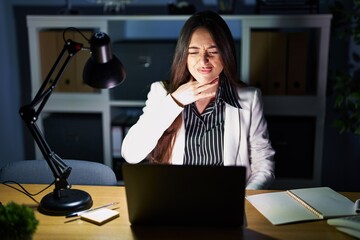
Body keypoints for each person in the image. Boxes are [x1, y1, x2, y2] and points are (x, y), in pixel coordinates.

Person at [121, 10, 275, 190]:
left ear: (226, 55)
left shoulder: (249, 98)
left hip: (226, 201)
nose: (203, 61)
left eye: (213, 51)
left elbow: (263, 164)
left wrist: (242, 199)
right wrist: (175, 101)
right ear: (183, 56)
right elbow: (131, 154)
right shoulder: (162, 93)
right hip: (176, 200)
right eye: (193, 52)